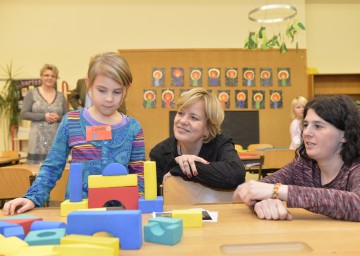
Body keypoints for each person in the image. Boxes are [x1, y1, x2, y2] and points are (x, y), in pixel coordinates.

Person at [3, 52, 145, 215]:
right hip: (79, 211)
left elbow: (139, 174)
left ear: (127, 89)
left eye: (117, 92)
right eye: (102, 90)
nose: (108, 99)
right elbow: (52, 166)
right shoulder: (72, 122)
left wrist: (139, 206)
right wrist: (32, 197)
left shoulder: (133, 128)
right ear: (89, 85)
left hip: (122, 212)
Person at [233, 95, 360, 222]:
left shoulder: (356, 167)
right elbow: (250, 190)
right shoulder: (302, 166)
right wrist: (261, 203)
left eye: (318, 126)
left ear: (345, 135)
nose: (306, 133)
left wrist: (279, 191)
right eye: (305, 125)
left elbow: (357, 204)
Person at [150, 88, 246, 195]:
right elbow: (157, 197)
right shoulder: (160, 152)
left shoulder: (220, 143)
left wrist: (183, 169)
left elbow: (236, 174)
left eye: (193, 117)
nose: (182, 121)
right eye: (180, 113)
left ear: (208, 128)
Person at [21, 64, 68, 164]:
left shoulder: (61, 96)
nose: (49, 78)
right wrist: (43, 117)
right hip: (37, 140)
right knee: (36, 172)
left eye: (53, 76)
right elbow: (24, 114)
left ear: (56, 78)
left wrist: (58, 117)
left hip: (56, 139)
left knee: (56, 169)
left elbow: (67, 116)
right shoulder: (31, 93)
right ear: (41, 76)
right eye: (46, 75)